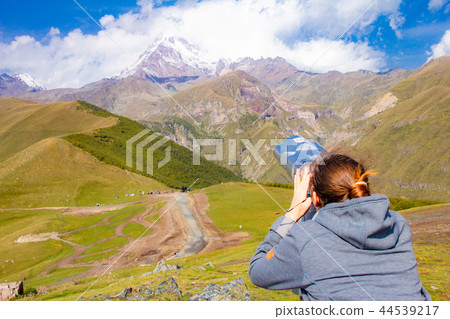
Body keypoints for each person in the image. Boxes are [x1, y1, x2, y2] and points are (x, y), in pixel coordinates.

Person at [248, 154, 430, 301]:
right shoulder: (398, 224)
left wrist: (292, 214)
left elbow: (258, 271)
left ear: (316, 198)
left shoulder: (307, 239)